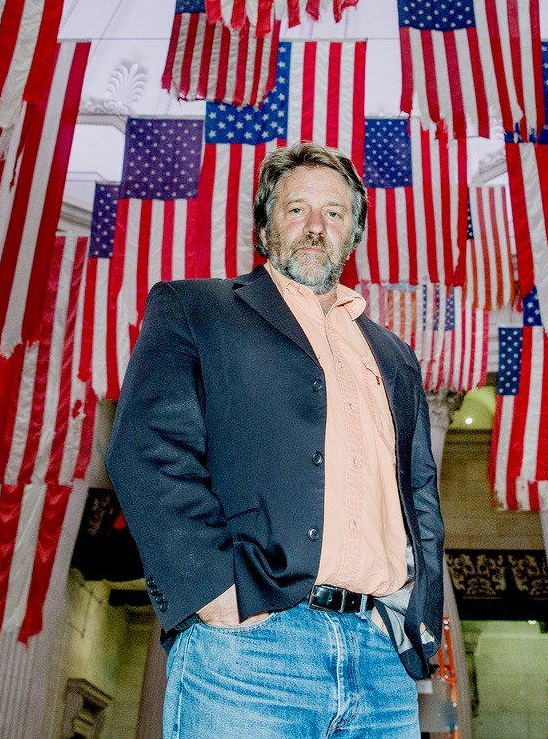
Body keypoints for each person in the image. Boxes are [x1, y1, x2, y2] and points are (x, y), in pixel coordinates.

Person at [106, 142, 444, 738]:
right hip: (251, 651)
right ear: (265, 225)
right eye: (297, 210)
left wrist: (416, 618)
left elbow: (419, 494)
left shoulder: (395, 356)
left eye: (335, 213)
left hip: (380, 662)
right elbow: (147, 447)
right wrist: (213, 589)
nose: (316, 227)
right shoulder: (196, 308)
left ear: (354, 234)